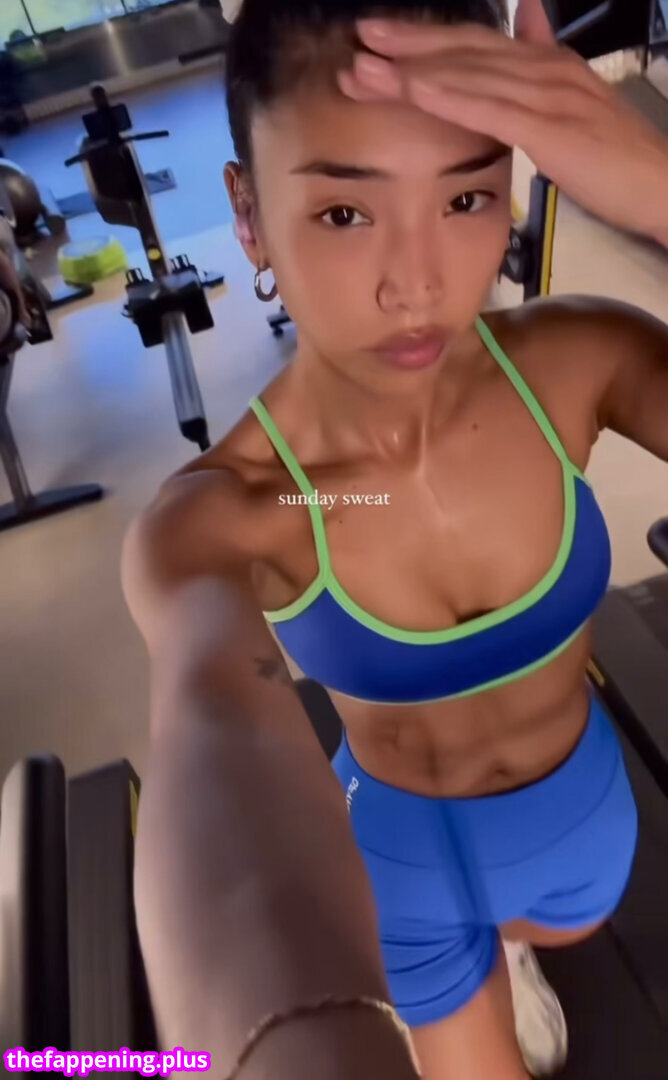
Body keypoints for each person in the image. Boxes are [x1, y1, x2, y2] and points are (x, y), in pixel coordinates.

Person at [122, 1, 668, 1078]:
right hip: (401, 876)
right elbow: (212, 743)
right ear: (247, 212)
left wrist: (661, 189)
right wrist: (281, 1043)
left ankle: (517, 944)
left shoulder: (580, 362)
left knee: (564, 922)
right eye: (344, 212)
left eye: (466, 196)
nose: (415, 284)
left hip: (584, 824)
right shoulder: (226, 511)